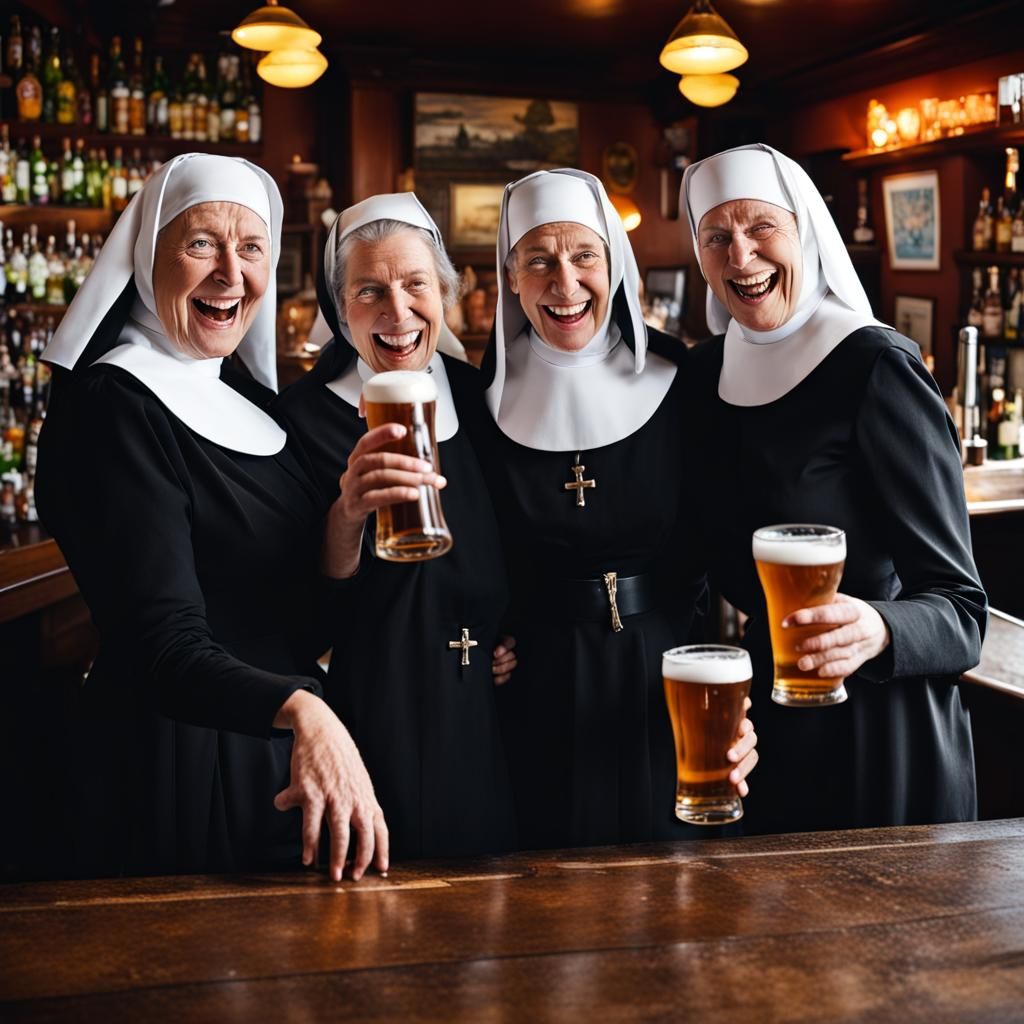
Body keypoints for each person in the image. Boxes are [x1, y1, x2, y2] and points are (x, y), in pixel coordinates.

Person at [36, 153, 387, 881]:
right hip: (173, 765)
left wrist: (346, 524)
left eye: (251, 247)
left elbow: (297, 625)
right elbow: (160, 645)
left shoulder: (254, 402)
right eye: (202, 244)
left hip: (280, 762)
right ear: (148, 254)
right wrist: (304, 711)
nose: (232, 272)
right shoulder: (112, 407)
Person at [680, 143, 986, 834]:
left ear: (805, 230)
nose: (741, 256)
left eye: (762, 228)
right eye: (717, 237)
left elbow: (964, 613)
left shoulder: (875, 367)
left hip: (887, 728)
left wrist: (878, 627)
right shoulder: (701, 381)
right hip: (762, 731)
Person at [474, 168, 759, 850]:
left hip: (666, 674)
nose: (563, 284)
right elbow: (466, 553)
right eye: (537, 261)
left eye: (582, 257)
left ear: (615, 263)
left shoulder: (684, 382)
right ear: (510, 278)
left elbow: (730, 554)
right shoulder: (476, 400)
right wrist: (481, 637)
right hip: (532, 685)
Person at [273, 193, 518, 859]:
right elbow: (301, 617)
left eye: (416, 285)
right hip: (374, 710)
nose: (398, 311)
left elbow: (525, 538)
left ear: (444, 293)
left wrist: (516, 630)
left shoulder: (481, 397)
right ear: (339, 305)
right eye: (370, 291)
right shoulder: (303, 419)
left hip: (489, 712)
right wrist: (348, 512)